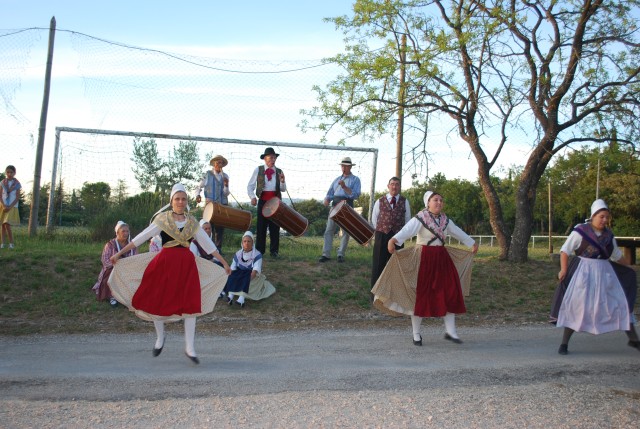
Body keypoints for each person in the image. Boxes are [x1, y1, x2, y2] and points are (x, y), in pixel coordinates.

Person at [108, 183, 231, 365]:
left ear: (186, 201)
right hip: (164, 265)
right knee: (156, 301)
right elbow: (141, 237)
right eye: (177, 199)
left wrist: (223, 262)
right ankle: (160, 338)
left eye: (183, 199)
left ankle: (190, 347)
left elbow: (207, 244)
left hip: (186, 267)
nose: (180, 202)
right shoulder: (162, 219)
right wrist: (119, 253)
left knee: (190, 304)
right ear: (171, 201)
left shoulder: (192, 223)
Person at [372, 190, 478, 346]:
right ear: (428, 202)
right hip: (424, 260)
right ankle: (416, 334)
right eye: (435, 200)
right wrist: (393, 240)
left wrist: (471, 242)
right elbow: (407, 231)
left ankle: (451, 331)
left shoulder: (445, 220)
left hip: (442, 260)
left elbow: (457, 232)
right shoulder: (420, 218)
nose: (439, 202)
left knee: (449, 292)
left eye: (441, 200)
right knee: (420, 297)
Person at [551, 198, 639, 355]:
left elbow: (616, 256)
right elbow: (565, 251)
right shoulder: (580, 232)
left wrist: (630, 267)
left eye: (607, 217)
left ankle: (634, 340)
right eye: (601, 217)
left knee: (619, 305)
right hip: (583, 274)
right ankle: (564, 343)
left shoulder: (609, 236)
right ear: (593, 216)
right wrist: (563, 270)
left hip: (606, 275)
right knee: (578, 307)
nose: (604, 220)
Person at [370, 177, 412, 289]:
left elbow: (408, 220)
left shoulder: (405, 201)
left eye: (397, 184)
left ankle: (395, 291)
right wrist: (381, 231)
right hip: (381, 235)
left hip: (398, 237)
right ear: (388, 186)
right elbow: (375, 219)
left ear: (400, 187)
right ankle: (376, 291)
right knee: (378, 264)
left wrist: (403, 235)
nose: (394, 186)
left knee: (396, 264)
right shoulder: (380, 201)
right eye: (392, 184)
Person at [318, 157, 362, 263]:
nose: (343, 168)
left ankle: (341, 254)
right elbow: (330, 193)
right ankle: (326, 254)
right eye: (342, 166)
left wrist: (345, 187)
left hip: (347, 205)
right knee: (329, 230)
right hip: (335, 205)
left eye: (346, 166)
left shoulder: (355, 179)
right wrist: (327, 199)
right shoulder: (336, 179)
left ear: (350, 167)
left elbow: (356, 195)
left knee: (346, 231)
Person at [247, 147, 286, 257]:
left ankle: (274, 251)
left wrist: (282, 181)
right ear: (265, 158)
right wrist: (252, 197)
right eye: (270, 158)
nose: (272, 160)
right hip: (263, 201)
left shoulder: (279, 171)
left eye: (274, 158)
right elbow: (250, 186)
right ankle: (260, 251)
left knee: (275, 227)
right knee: (261, 227)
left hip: (275, 202)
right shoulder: (258, 170)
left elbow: (283, 189)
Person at [92, 221, 138, 308]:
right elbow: (105, 261)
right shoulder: (110, 245)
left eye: (127, 231)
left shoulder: (132, 245)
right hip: (113, 268)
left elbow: (135, 257)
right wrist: (118, 265)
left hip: (128, 268)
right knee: (112, 274)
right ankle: (112, 296)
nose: (126, 233)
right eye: (123, 231)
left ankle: (128, 297)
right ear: (117, 233)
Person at [224, 231, 276, 307]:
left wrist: (246, 280)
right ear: (242, 243)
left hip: (251, 274)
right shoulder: (238, 254)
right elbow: (233, 267)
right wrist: (232, 276)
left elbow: (255, 271)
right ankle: (230, 296)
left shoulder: (257, 255)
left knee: (246, 281)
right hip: (240, 273)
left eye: (249, 241)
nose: (247, 243)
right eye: (245, 241)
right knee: (232, 276)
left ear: (252, 243)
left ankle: (241, 299)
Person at [195, 155, 230, 253]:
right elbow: (198, 186)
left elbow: (226, 193)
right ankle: (207, 247)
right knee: (208, 226)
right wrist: (198, 195)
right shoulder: (207, 175)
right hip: (210, 205)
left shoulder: (225, 176)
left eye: (221, 163)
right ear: (214, 164)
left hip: (221, 205)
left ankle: (218, 248)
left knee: (220, 227)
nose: (220, 165)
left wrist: (226, 185)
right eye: (218, 162)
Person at [190, 219, 226, 300]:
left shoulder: (210, 242)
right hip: (200, 266)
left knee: (221, 267)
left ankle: (220, 290)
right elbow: (193, 259)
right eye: (205, 229)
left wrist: (211, 262)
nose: (208, 230)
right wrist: (207, 263)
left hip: (211, 263)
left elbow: (216, 255)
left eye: (209, 228)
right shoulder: (194, 243)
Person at [1, 165, 22, 249]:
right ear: (6, 173)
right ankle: (3, 243)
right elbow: (0, 195)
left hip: (12, 206)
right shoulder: (2, 183)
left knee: (7, 224)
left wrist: (10, 206)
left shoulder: (17, 184)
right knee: (2, 224)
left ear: (14, 173)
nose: (9, 174)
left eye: (11, 172)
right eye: (8, 172)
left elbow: (17, 197)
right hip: (3, 205)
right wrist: (3, 205)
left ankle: (11, 243)